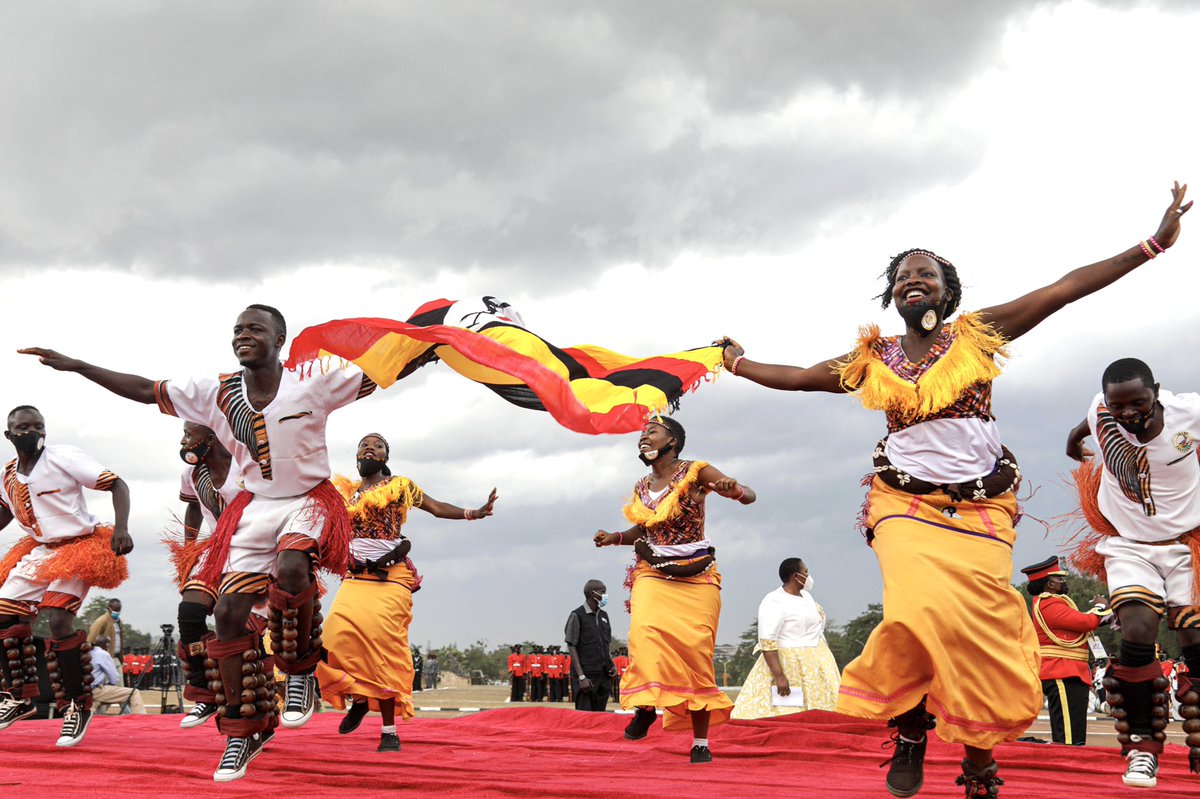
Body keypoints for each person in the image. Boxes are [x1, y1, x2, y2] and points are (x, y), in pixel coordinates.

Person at [717, 183, 1190, 797]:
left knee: (984, 629)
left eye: (927, 274)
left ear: (947, 289)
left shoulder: (977, 333)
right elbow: (804, 377)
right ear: (893, 295)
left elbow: (1062, 290)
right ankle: (911, 727)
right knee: (918, 611)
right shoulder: (873, 356)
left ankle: (978, 754)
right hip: (904, 507)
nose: (914, 280)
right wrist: (737, 365)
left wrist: (1151, 244)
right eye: (904, 276)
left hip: (983, 507)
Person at [21, 304, 377, 781]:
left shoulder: (313, 382)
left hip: (310, 499)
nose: (242, 335)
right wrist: (80, 367)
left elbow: (389, 362)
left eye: (255, 328)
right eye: (237, 329)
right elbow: (145, 390)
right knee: (226, 615)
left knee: (293, 567)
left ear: (280, 339)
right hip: (254, 509)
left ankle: (299, 672)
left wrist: (441, 344)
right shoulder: (216, 392)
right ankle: (242, 731)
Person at [315, 432, 497, 753]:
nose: (369, 448)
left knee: (385, 648)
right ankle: (360, 698)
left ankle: (389, 732)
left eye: (378, 445)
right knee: (333, 638)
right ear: (357, 457)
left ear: (385, 457)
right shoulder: (347, 494)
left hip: (390, 577)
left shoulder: (400, 486)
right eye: (363, 445)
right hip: (356, 576)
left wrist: (473, 512)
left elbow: (438, 507)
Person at [1065, 356, 1200, 786]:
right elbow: (1084, 427)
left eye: (1138, 404)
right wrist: (1074, 443)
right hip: (1128, 546)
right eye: (1117, 407)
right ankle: (1142, 750)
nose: (1127, 415)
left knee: (1194, 639)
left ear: (1156, 392)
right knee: (1138, 631)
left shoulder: (1188, 413)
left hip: (1187, 545)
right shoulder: (1101, 410)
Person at [594, 416, 755, 763]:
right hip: (653, 573)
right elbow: (644, 531)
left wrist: (733, 489)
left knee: (696, 655)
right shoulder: (641, 485)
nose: (644, 436)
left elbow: (750, 496)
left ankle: (700, 742)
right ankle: (647, 707)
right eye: (641, 433)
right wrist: (615, 538)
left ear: (673, 440)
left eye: (652, 431)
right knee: (644, 633)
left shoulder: (696, 471)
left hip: (698, 578)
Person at [0, 405, 132, 746]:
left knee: (58, 620)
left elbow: (117, 484)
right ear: (9, 434)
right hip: (40, 549)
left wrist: (121, 528)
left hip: (79, 546)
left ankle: (76, 705)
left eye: (38, 425)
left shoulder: (64, 457)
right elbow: (4, 511)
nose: (32, 431)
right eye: (23, 427)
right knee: (3, 614)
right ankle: (19, 697)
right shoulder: (9, 474)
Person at [170, 421, 241, 729]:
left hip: (253, 548)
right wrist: (188, 551)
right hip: (215, 551)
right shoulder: (191, 473)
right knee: (189, 610)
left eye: (189, 433)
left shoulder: (245, 464)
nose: (184, 439)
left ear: (211, 436)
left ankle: (251, 713)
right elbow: (194, 508)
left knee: (243, 631)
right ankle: (203, 692)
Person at [731, 558, 841, 720]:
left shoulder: (807, 597)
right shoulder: (774, 600)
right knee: (788, 712)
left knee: (824, 715)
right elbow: (767, 641)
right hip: (788, 663)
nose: (808, 576)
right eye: (805, 572)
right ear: (795, 576)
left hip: (818, 663)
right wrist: (779, 676)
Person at [1019, 556, 1111, 746]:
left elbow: (1080, 621)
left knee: (1074, 732)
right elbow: (1086, 622)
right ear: (1050, 583)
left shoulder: (1053, 603)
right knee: (1068, 736)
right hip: (1061, 670)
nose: (1063, 581)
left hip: (1069, 670)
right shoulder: (1049, 603)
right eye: (1059, 578)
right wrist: (1101, 606)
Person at [564, 579, 616, 712]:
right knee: (585, 719)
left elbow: (605, 645)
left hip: (603, 677)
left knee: (599, 719)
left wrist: (611, 664)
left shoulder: (604, 616)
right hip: (587, 678)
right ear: (592, 594)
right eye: (602, 592)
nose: (606, 595)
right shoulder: (577, 615)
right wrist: (581, 677)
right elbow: (571, 646)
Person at [89, 634, 146, 714]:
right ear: (107, 645)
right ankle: (141, 720)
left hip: (85, 691)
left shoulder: (87, 653)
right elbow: (114, 677)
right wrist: (112, 684)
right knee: (134, 692)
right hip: (96, 691)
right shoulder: (103, 654)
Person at [87, 598, 124, 662]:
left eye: (118, 610)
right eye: (115, 610)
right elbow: (91, 640)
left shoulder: (118, 622)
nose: (117, 612)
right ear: (109, 608)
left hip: (116, 658)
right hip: (105, 658)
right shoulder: (102, 621)